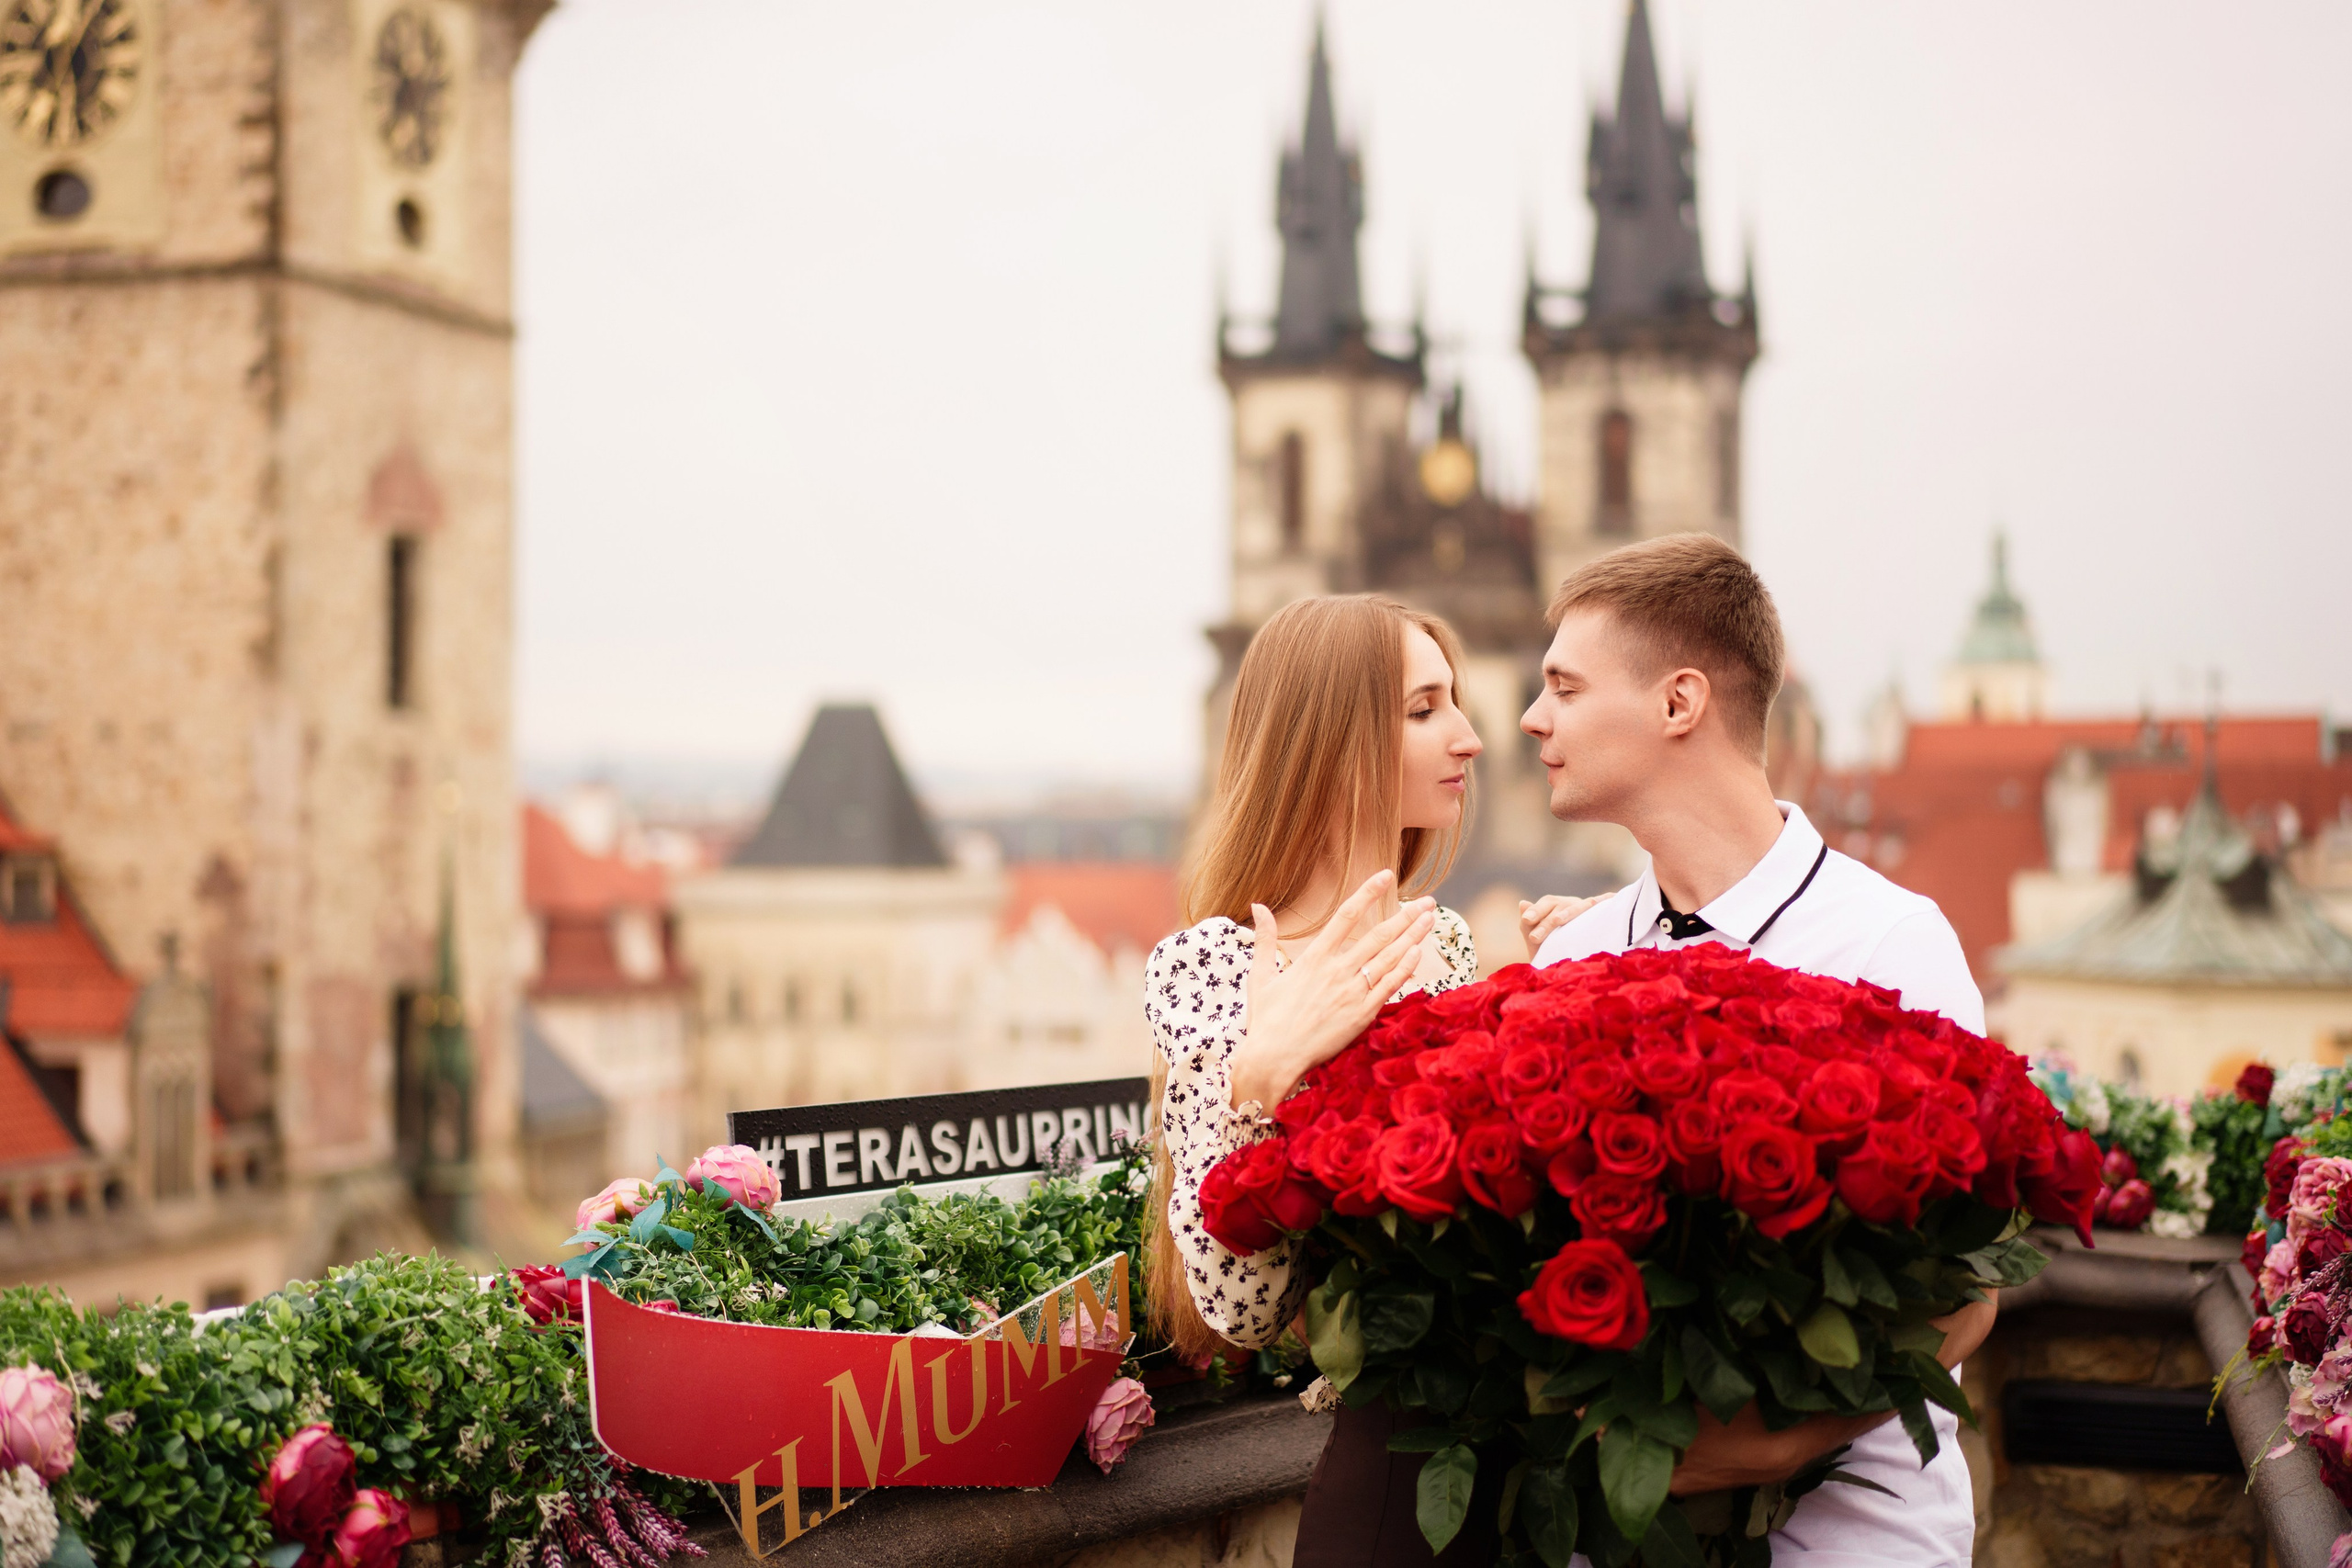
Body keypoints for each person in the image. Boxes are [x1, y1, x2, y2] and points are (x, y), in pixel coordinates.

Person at [1516, 532, 1995, 1566]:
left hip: (1857, 1537)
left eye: (1564, 686)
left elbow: (1970, 1286)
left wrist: (1772, 1445)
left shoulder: (1888, 941)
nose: (1532, 717)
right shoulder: (1576, 957)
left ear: (1678, 703)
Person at [1143, 593, 1497, 1563]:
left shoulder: (1444, 940)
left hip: (1506, 1460)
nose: (1468, 737)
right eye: (1424, 709)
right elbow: (1243, 1310)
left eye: (1454, 702)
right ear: (1333, 743)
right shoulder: (1211, 965)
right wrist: (1261, 1077)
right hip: (1395, 1482)